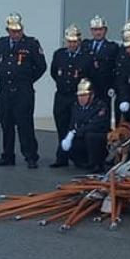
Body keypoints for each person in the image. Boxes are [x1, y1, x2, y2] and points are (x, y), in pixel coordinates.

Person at [0, 13, 46, 168]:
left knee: (25, 125)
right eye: (12, 31)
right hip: (5, 91)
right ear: (7, 30)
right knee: (6, 125)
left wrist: (27, 79)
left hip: (23, 92)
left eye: (18, 31)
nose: (15, 34)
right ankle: (7, 156)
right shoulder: (1, 43)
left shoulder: (31, 44)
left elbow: (41, 66)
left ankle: (31, 156)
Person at [49, 25, 93, 168]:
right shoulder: (59, 54)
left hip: (77, 97)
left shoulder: (86, 57)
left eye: (74, 41)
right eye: (69, 41)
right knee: (61, 126)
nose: (72, 44)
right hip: (62, 96)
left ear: (79, 41)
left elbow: (90, 76)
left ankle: (78, 157)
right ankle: (62, 157)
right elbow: (54, 72)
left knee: (76, 127)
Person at [59, 78, 109, 172]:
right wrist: (70, 134)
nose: (81, 98)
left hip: (97, 138)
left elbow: (94, 125)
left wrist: (75, 132)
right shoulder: (76, 107)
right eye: (79, 95)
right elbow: (72, 124)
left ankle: (96, 164)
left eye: (84, 95)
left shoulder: (100, 106)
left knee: (91, 136)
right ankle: (81, 161)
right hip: (82, 135)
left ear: (92, 95)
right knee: (67, 140)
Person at [82, 15, 120, 117]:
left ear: (105, 30)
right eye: (95, 30)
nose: (98, 32)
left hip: (104, 89)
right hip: (87, 89)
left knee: (102, 117)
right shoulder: (85, 45)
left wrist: (113, 87)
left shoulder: (112, 47)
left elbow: (116, 69)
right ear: (91, 31)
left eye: (100, 29)